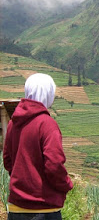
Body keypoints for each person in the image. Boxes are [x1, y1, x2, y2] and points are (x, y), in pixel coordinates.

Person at [3, 73, 73, 220]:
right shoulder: (47, 124)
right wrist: (66, 184)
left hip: (16, 208)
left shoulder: (13, 123)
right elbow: (54, 165)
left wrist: (23, 180)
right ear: (49, 94)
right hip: (44, 208)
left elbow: (8, 161)